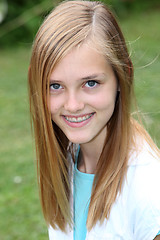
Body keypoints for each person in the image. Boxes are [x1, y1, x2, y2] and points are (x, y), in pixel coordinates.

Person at [28, 1, 160, 239]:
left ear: (123, 77)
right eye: (55, 86)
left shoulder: (149, 190)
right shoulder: (66, 154)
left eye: (90, 83)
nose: (73, 105)